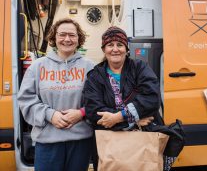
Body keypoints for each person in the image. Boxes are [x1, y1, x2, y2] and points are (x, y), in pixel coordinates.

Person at [17, 18, 94, 171]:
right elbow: (26, 100)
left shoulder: (90, 67)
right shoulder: (37, 67)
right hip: (47, 142)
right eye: (62, 34)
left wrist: (80, 113)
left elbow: (99, 100)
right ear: (54, 37)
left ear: (79, 38)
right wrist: (50, 115)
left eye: (72, 35)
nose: (67, 39)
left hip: (80, 142)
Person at [83, 26, 163, 170]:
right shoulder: (94, 76)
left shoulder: (140, 68)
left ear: (126, 49)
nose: (115, 49)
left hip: (143, 141)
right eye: (110, 45)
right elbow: (93, 110)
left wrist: (118, 117)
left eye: (120, 45)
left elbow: (152, 99)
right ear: (103, 49)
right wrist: (132, 120)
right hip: (109, 147)